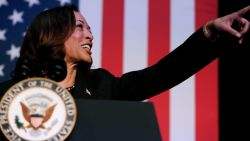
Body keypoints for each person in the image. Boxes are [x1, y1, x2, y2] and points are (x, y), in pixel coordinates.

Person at [0, 4, 249, 140]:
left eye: (90, 28)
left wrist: (207, 34)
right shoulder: (10, 95)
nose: (90, 34)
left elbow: (161, 74)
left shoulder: (103, 85)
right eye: (79, 27)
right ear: (52, 33)